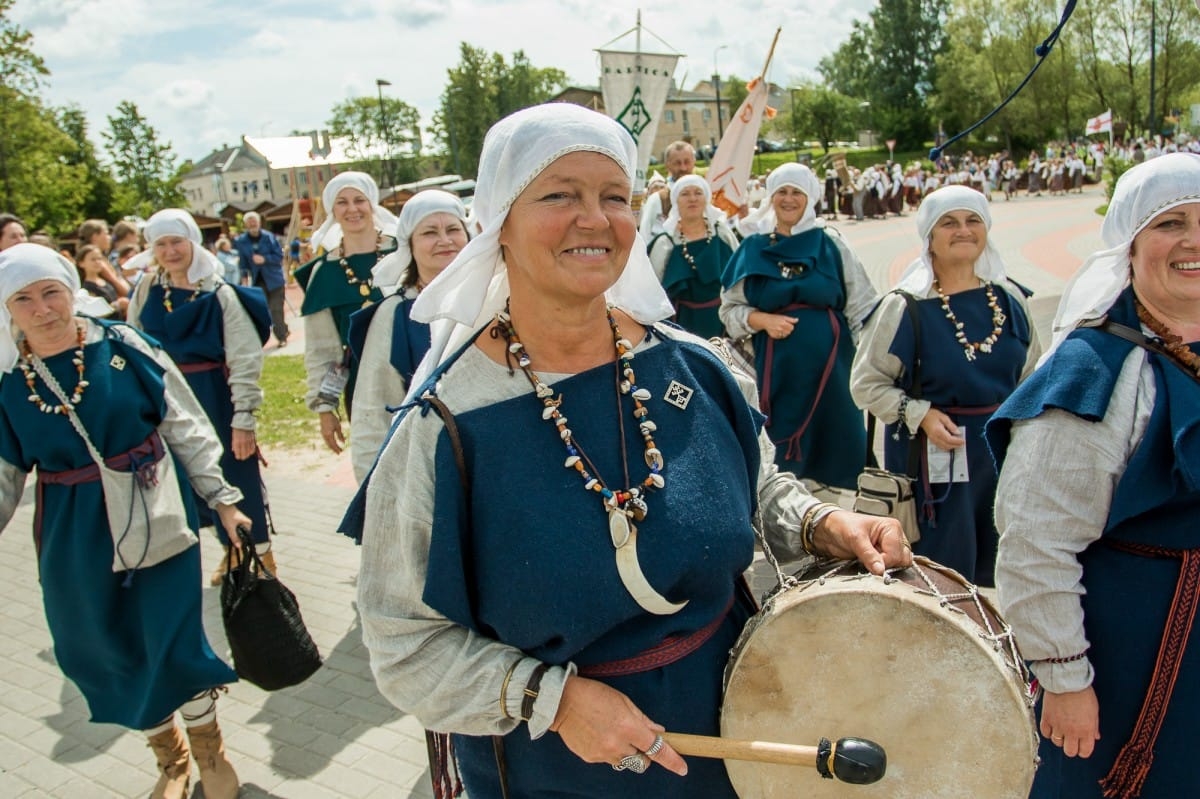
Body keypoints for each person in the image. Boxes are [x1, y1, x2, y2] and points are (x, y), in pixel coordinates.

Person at [349, 101, 910, 799]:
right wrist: (549, 701)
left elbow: (759, 486)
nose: (595, 217)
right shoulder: (447, 421)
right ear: (500, 225)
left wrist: (822, 522)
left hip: (738, 727)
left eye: (614, 196)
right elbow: (405, 644)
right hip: (555, 770)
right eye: (560, 195)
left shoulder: (695, 367)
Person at [0, 243, 248, 799]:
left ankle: (209, 750)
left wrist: (223, 499)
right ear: (7, 310)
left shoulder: (124, 345)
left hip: (153, 511)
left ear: (70, 291)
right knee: (106, 644)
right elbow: (4, 475)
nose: (43, 309)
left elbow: (183, 424)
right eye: (24, 299)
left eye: (51, 292)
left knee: (171, 637)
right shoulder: (10, 382)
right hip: (73, 534)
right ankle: (170, 756)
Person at [987, 153, 1200, 799]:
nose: (1192, 241)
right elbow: (1033, 543)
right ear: (1129, 247)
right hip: (1133, 649)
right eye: (1170, 224)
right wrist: (1065, 679)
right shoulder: (1094, 373)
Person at [850, 186, 1040, 585]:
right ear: (930, 238)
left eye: (973, 221)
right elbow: (866, 384)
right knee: (944, 572)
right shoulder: (904, 307)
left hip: (1001, 454)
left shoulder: (1010, 300)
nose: (963, 230)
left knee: (1005, 561)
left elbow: (1032, 376)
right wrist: (921, 415)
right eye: (949, 223)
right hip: (936, 459)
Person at [124, 209, 275, 586]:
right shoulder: (147, 290)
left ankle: (261, 552)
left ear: (192, 243)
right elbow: (133, 342)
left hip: (214, 398)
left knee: (235, 473)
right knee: (191, 479)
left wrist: (244, 417)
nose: (170, 251)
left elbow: (244, 357)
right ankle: (231, 549)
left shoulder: (220, 294)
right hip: (169, 400)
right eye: (161, 244)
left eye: (177, 241)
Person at [721, 163, 878, 495]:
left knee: (837, 439)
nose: (789, 199)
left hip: (833, 366)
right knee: (784, 444)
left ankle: (837, 517)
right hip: (779, 368)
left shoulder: (830, 242)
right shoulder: (752, 247)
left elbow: (862, 304)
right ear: (770, 197)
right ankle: (787, 512)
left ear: (811, 198)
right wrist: (763, 320)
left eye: (797, 192)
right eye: (782, 192)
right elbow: (729, 309)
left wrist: (864, 361)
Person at [346, 190, 469, 483]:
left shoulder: (496, 298)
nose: (445, 240)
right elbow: (372, 410)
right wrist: (373, 487)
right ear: (409, 245)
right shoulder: (396, 314)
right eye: (429, 232)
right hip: (428, 470)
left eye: (453, 229)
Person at [294, 172, 398, 454]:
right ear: (333, 211)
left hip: (414, 373)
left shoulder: (403, 253)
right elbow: (324, 350)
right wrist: (326, 407)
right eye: (342, 202)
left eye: (359, 200)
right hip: (363, 387)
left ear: (372, 204)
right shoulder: (325, 271)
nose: (352, 209)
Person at [646, 175, 739, 339]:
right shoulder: (665, 243)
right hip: (682, 326)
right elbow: (652, 290)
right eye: (685, 194)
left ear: (706, 198)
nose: (692, 199)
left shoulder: (722, 233)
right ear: (676, 201)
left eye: (698, 193)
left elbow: (740, 271)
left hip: (724, 323)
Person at [233, 211, 288, 345]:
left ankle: (281, 337)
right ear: (246, 224)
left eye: (254, 221)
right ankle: (281, 330)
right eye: (249, 222)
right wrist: (244, 278)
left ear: (259, 222)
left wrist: (264, 259)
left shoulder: (269, 237)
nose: (252, 224)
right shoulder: (242, 241)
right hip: (258, 281)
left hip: (274, 280)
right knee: (264, 310)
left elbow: (279, 257)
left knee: (276, 309)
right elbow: (243, 263)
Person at [638, 141, 696, 241]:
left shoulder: (704, 196)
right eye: (677, 163)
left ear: (694, 162)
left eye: (687, 162)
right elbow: (645, 237)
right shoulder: (657, 200)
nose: (683, 168)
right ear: (667, 165)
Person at [76, 243, 131, 318]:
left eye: (99, 259)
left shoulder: (105, 280)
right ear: (81, 263)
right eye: (93, 259)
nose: (97, 262)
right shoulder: (85, 288)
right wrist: (115, 306)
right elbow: (92, 314)